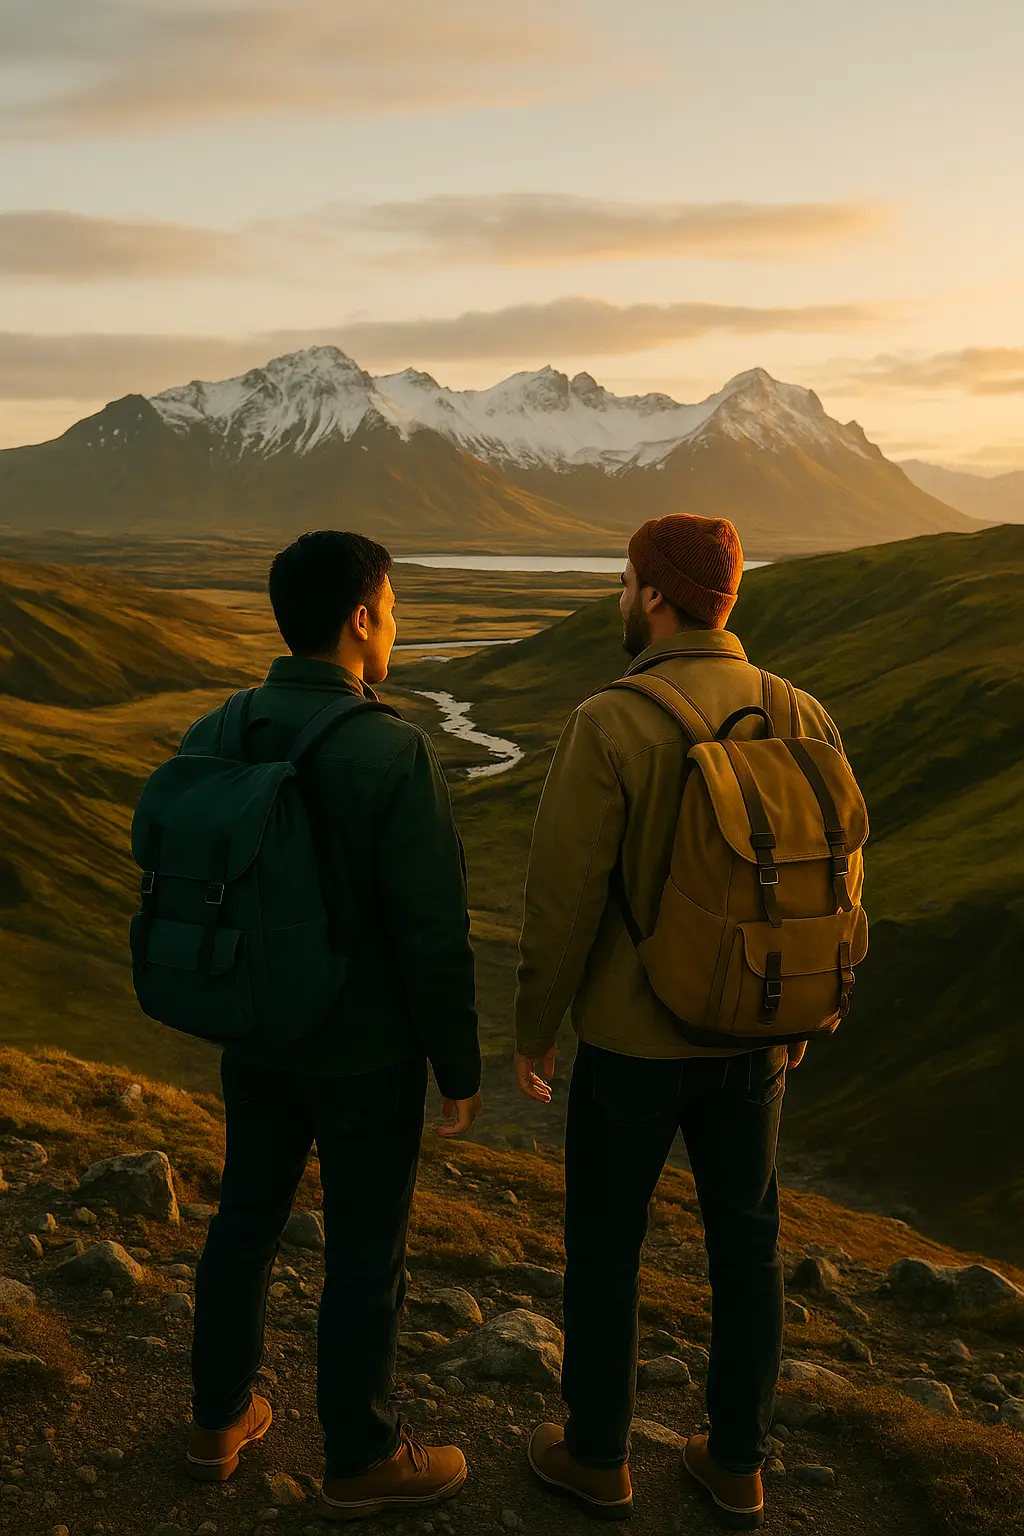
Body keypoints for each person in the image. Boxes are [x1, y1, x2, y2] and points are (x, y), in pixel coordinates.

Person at [513, 513, 845, 1530]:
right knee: (746, 1246)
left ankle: (598, 1457)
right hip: (756, 1038)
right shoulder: (802, 712)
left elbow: (563, 895)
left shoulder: (612, 719)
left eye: (625, 581)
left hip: (629, 1041)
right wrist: (796, 1004)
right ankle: (737, 1463)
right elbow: (834, 880)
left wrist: (532, 1029)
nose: (622, 596)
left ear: (655, 595)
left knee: (606, 1246)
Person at [183, 530, 482, 1523]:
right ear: (360, 619)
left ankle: (216, 1420)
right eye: (391, 608)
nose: (395, 625)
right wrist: (458, 1061)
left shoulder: (223, 728)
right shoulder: (392, 748)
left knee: (242, 1224)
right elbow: (433, 927)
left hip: (255, 1034)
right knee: (364, 1254)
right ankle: (360, 1455)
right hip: (365, 1054)